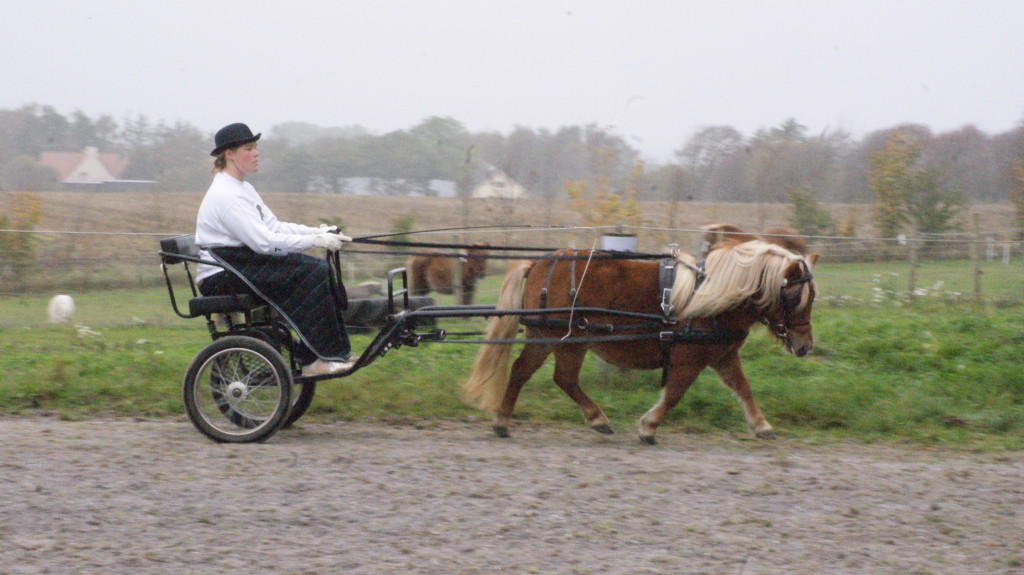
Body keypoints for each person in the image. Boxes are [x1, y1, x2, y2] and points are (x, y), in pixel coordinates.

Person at [194, 123, 356, 377]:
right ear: (229, 154)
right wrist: (316, 240)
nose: (256, 153)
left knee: (317, 270)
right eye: (249, 148)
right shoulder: (226, 196)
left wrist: (317, 232)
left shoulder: (243, 189)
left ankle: (323, 353)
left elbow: (274, 226)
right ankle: (317, 359)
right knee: (312, 271)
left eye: (255, 148)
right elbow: (264, 242)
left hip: (239, 263)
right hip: (221, 273)